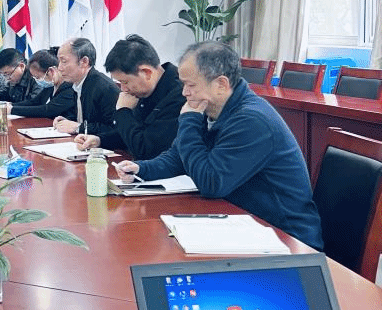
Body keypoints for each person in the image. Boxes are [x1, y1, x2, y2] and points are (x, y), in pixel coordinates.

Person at [117, 42, 324, 250]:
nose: (184, 93)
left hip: (287, 239)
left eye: (191, 85)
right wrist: (142, 169)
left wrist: (188, 121)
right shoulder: (210, 107)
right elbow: (178, 156)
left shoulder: (251, 121)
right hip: (246, 226)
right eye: (183, 84)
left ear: (221, 84)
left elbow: (211, 183)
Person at [74, 34, 186, 160]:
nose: (123, 89)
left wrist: (123, 111)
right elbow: (132, 132)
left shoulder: (180, 94)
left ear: (146, 72)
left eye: (125, 82)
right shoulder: (145, 89)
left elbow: (146, 150)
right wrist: (100, 140)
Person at [51, 37, 119, 136]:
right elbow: (84, 119)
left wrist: (78, 127)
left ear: (84, 62)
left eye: (64, 61)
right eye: (59, 62)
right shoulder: (75, 83)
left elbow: (114, 129)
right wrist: (67, 121)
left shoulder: (105, 88)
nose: (59, 68)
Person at [10, 49, 77, 119]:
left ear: (51, 71)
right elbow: (34, 102)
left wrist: (12, 110)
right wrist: (10, 105)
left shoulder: (70, 88)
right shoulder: (51, 86)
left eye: (38, 77)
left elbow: (48, 110)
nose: (37, 81)